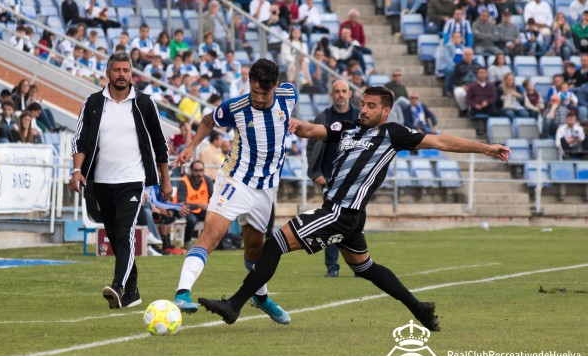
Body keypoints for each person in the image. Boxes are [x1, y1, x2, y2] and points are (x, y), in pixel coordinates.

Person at [197, 86, 510, 330]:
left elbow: (442, 142)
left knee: (273, 245)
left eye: (372, 106)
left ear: (386, 111)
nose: (364, 109)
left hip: (341, 212)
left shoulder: (393, 134)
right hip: (345, 215)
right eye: (363, 103)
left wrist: (486, 148)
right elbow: (311, 131)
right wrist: (295, 125)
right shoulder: (347, 128)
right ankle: (420, 309)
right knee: (366, 269)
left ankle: (234, 306)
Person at [169, 59, 296, 324]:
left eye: (264, 93)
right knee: (212, 235)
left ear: (275, 85)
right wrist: (191, 147)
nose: (258, 98)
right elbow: (207, 120)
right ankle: (182, 293)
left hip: (266, 189)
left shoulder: (288, 95)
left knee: (254, 248)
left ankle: (260, 298)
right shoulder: (236, 107)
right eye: (254, 92)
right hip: (235, 181)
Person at [69, 52, 172, 309]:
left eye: (126, 70)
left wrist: (165, 181)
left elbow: (160, 145)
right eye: (117, 70)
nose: (122, 75)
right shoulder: (92, 103)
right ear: (108, 73)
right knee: (115, 236)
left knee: (125, 231)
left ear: (131, 73)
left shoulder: (144, 103)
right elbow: (80, 140)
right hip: (100, 182)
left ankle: (117, 286)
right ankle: (133, 291)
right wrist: (76, 171)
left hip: (132, 180)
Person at [307, 80, 359, 278]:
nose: (340, 95)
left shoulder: (359, 116)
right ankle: (332, 267)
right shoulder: (323, 117)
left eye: (344, 91)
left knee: (355, 223)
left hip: (354, 180)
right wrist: (316, 173)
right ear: (331, 94)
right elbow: (311, 145)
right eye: (337, 91)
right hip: (329, 179)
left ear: (350, 93)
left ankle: (358, 266)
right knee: (330, 222)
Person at [176, 160, 214, 250]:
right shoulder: (183, 182)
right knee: (192, 220)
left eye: (201, 170)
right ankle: (187, 241)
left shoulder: (207, 180)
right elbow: (181, 203)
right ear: (191, 170)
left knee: (215, 217)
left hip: (202, 210)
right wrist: (198, 205)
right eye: (196, 170)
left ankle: (211, 242)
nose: (199, 173)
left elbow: (212, 197)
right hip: (186, 210)